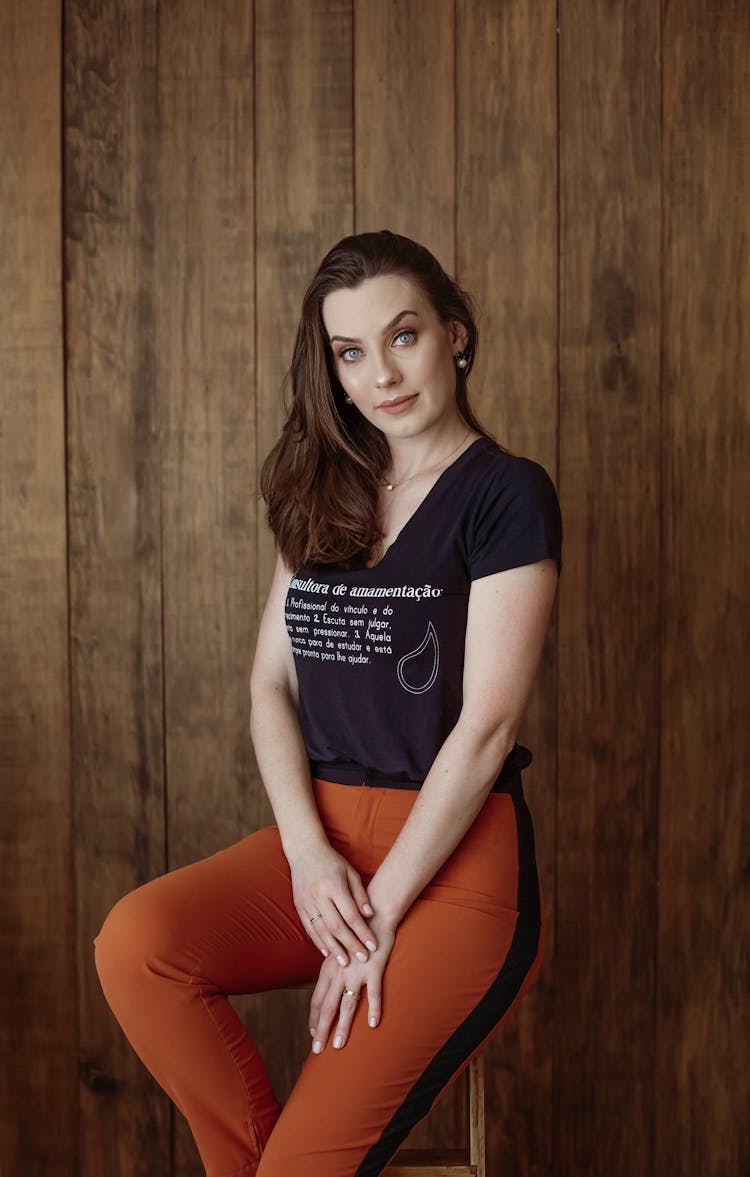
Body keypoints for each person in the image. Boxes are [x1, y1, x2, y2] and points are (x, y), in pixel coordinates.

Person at [94, 229, 563, 1177]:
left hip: (455, 866)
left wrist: (379, 918)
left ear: (455, 335)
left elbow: (487, 730)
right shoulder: (324, 489)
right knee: (137, 945)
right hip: (324, 845)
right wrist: (309, 856)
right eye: (350, 352)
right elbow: (270, 683)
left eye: (403, 336)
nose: (381, 374)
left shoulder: (506, 493)